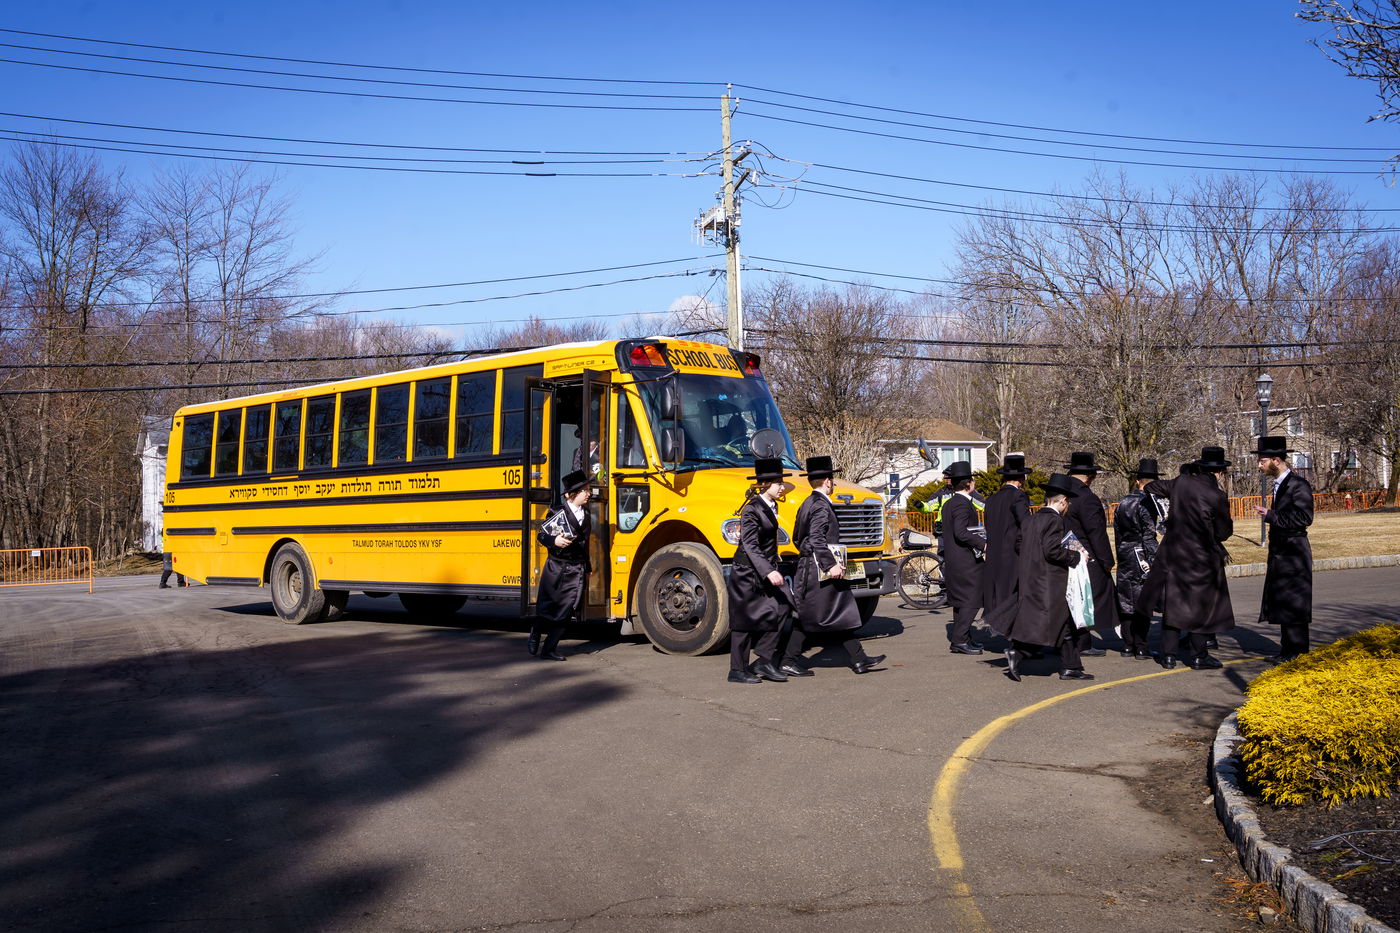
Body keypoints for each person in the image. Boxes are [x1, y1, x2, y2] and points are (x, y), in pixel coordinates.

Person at [782, 455, 886, 675]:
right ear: (827, 481)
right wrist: (830, 564)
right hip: (820, 569)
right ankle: (788, 660)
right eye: (832, 480)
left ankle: (859, 659)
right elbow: (817, 538)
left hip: (811, 567)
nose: (833, 484)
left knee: (836, 611)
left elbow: (797, 538)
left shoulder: (806, 503)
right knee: (815, 614)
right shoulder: (821, 506)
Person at [1142, 446, 1236, 669]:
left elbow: (1152, 487)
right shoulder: (1217, 495)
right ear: (1220, 472)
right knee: (1202, 606)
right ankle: (1198, 655)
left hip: (1174, 553)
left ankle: (1168, 655)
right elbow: (1224, 532)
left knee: (1174, 602)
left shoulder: (1181, 483)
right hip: (1202, 556)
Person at [1000, 473, 1092, 682]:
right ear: (1062, 501)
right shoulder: (1055, 521)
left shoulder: (1031, 519)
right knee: (1057, 622)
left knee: (1060, 623)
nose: (1067, 505)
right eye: (1067, 501)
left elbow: (1019, 545)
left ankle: (1071, 666)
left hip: (1031, 578)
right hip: (1051, 581)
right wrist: (1076, 556)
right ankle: (1021, 653)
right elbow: (1052, 551)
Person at [725, 458, 797, 684]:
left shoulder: (771, 506)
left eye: (781, 482)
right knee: (743, 621)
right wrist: (768, 571)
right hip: (747, 572)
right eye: (778, 483)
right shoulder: (752, 509)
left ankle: (764, 659)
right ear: (765, 484)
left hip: (764, 569)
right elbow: (749, 544)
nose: (782, 487)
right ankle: (737, 670)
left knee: (784, 605)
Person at [1252, 436, 1314, 660]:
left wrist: (1270, 515)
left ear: (1276, 460)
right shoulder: (1281, 484)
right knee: (1285, 601)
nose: (1260, 465)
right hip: (1282, 552)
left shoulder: (1298, 485)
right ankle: (1288, 650)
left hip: (1294, 553)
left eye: (1262, 461)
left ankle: (1297, 652)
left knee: (1294, 603)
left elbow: (1304, 518)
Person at [527, 469, 592, 662]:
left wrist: (587, 568)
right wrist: (554, 541)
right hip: (556, 567)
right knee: (547, 607)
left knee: (567, 611)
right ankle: (535, 632)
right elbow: (541, 535)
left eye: (588, 490)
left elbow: (584, 545)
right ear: (574, 494)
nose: (589, 493)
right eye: (585, 490)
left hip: (576, 569)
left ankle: (549, 649)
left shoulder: (587, 515)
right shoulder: (557, 511)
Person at [1062, 451, 1118, 656]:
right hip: (1085, 555)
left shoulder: (1059, 494)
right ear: (1090, 476)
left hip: (1060, 552)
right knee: (1086, 599)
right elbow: (1097, 533)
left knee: (1069, 599)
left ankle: (1074, 641)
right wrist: (1106, 560)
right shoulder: (1088, 498)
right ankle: (1081, 643)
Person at [1114, 458, 1163, 660]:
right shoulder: (1148, 503)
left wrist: (1120, 553)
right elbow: (1148, 535)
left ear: (1137, 481)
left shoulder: (1122, 503)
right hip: (1142, 553)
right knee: (1143, 599)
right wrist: (1156, 559)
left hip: (1125, 552)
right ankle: (1141, 645)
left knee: (1126, 598)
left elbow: (1117, 533)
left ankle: (1127, 643)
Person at [940, 460, 987, 655]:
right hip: (965, 560)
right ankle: (960, 640)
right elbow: (961, 532)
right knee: (972, 599)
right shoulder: (961, 504)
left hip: (954, 558)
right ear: (969, 484)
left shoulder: (949, 503)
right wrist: (983, 543)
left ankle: (963, 638)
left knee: (961, 600)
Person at [981, 454, 1032, 617]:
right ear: (1021, 478)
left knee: (1000, 596)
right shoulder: (1018, 496)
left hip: (993, 554)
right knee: (1014, 598)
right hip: (1013, 554)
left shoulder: (991, 499)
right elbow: (1026, 524)